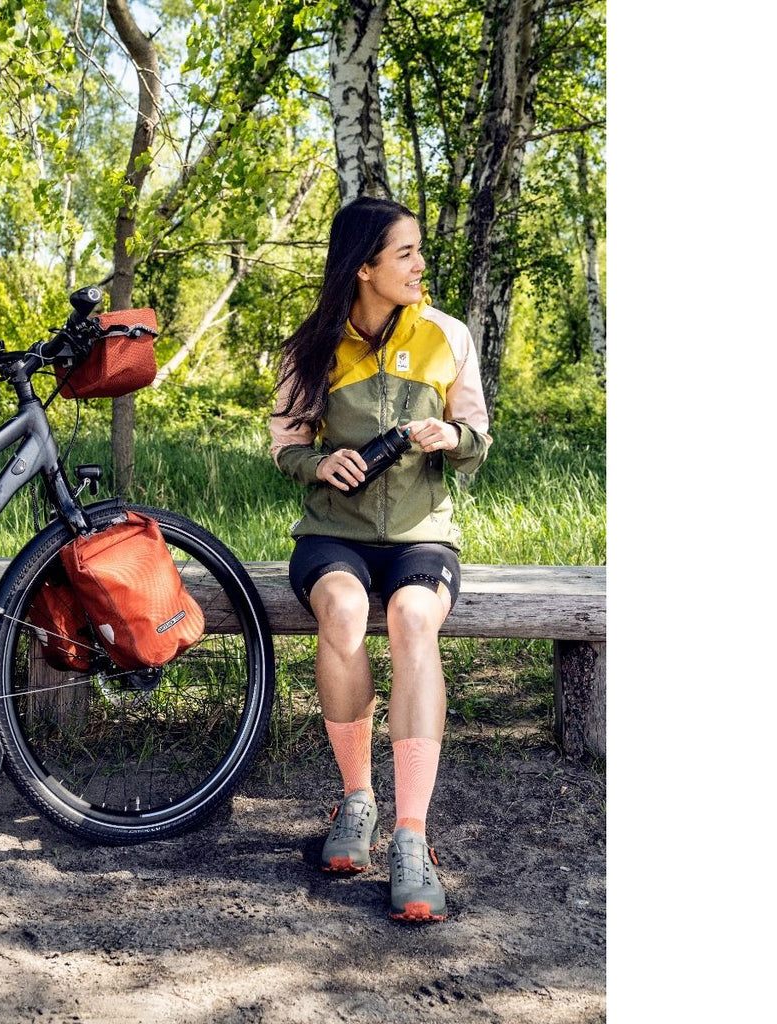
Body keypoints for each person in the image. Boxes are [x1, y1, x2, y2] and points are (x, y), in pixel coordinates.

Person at [269, 195, 492, 922]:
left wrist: (452, 438)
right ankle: (357, 801)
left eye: (418, 250)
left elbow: (478, 438)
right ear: (364, 267)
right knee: (342, 611)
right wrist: (317, 463)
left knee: (412, 619)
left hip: (423, 535)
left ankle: (411, 835)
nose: (420, 264)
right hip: (333, 533)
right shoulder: (310, 347)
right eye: (406, 253)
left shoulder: (447, 335)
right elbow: (285, 445)